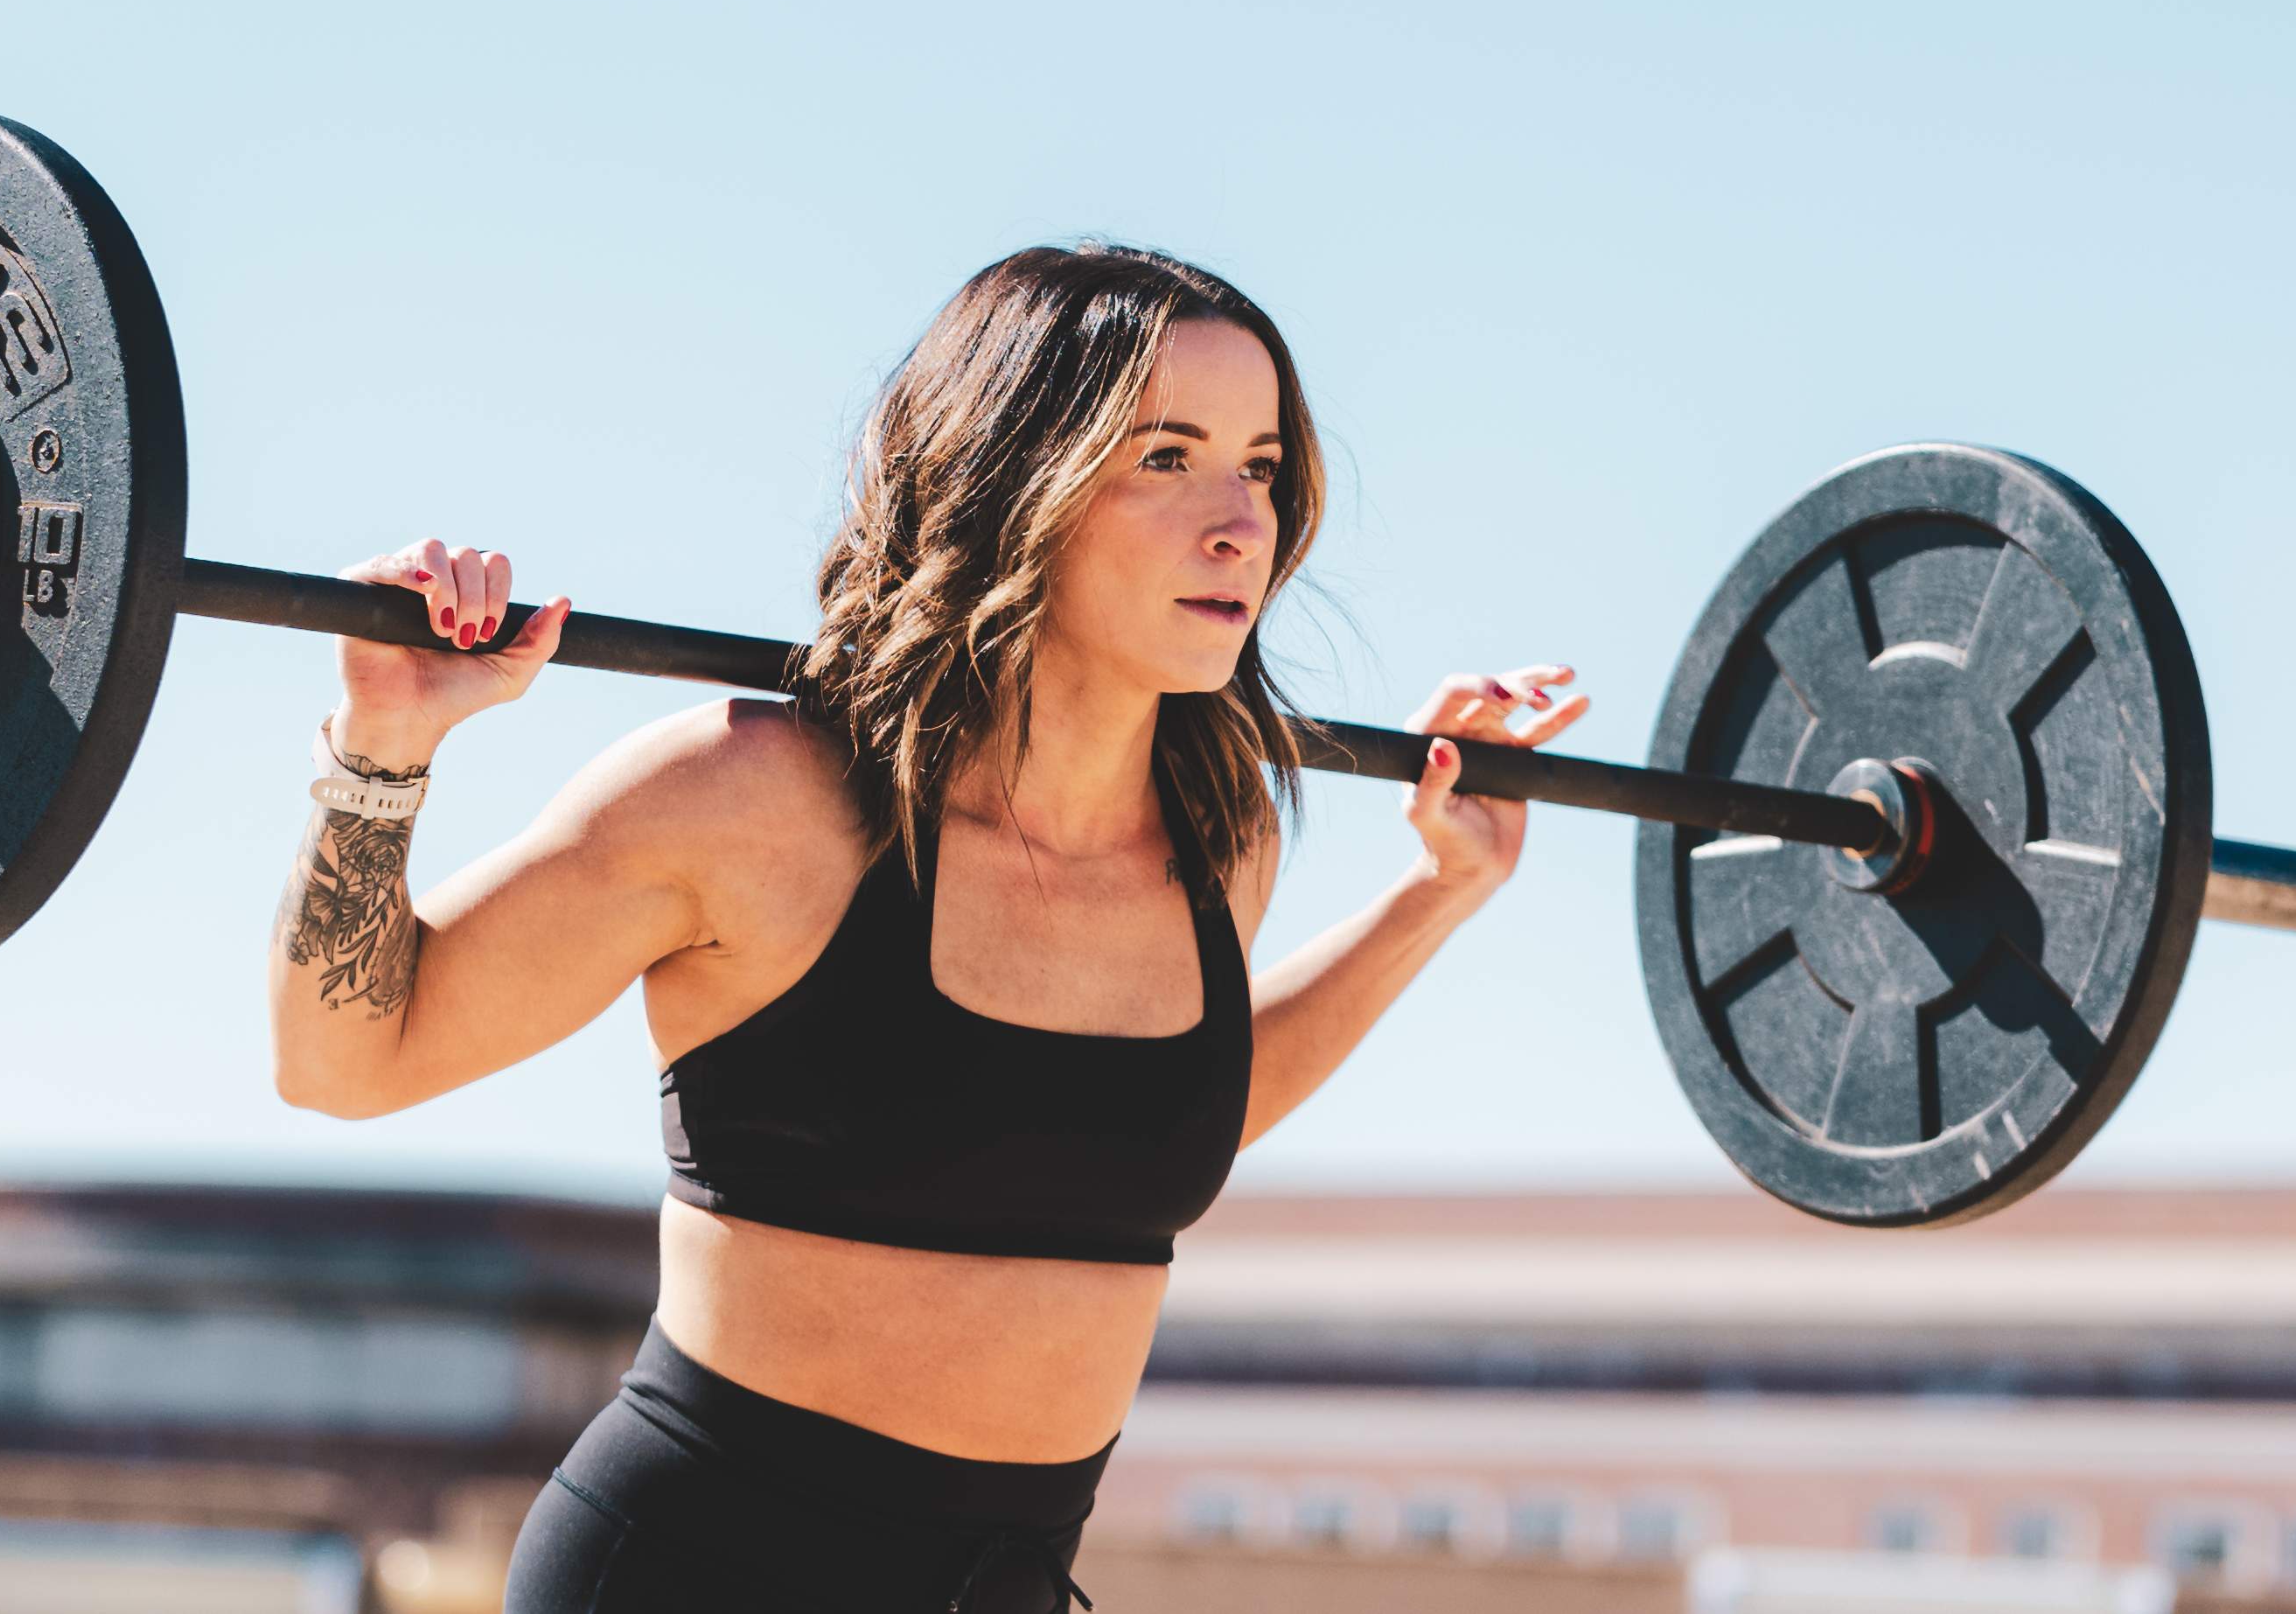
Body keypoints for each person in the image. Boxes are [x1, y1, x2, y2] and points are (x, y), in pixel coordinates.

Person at [266, 244, 1583, 1613]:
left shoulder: (1217, 831)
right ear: (1018, 479)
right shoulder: (751, 801)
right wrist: (386, 745)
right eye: (1165, 456)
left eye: (1259, 465)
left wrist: (1439, 889)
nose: (1238, 520)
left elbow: (1140, 1105)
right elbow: (348, 1059)